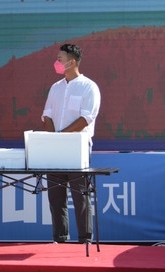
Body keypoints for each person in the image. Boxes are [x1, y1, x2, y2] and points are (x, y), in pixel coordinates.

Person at [41, 43, 101, 244]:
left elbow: (86, 118)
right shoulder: (56, 87)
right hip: (55, 149)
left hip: (78, 147)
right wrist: (53, 138)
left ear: (72, 61)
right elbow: (47, 115)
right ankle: (60, 238)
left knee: (80, 195)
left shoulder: (88, 87)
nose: (56, 63)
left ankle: (85, 239)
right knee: (56, 197)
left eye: (60, 59)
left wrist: (62, 136)